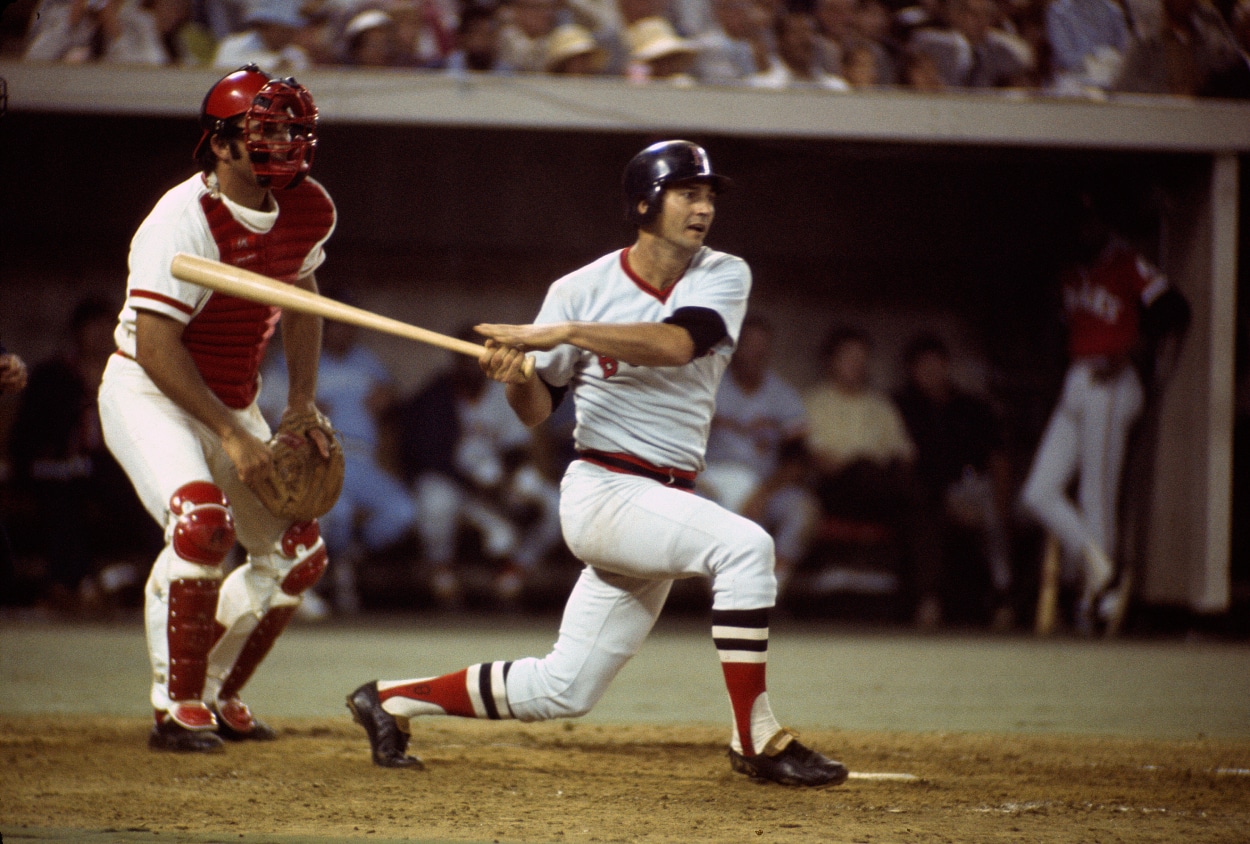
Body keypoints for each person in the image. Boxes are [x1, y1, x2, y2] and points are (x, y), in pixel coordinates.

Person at [346, 139, 847, 787]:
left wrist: (567, 333)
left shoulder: (723, 274)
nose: (702, 207)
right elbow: (534, 409)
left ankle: (388, 700)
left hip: (664, 500)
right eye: (686, 193)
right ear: (644, 203)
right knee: (746, 548)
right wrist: (511, 375)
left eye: (708, 195)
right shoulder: (577, 289)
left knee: (564, 689)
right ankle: (757, 738)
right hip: (605, 492)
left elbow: (677, 344)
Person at [97, 64, 337, 752]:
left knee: (298, 556)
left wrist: (299, 405)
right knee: (202, 524)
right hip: (152, 392)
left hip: (237, 398)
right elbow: (155, 345)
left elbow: (305, 294)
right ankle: (175, 706)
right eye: (266, 130)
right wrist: (231, 436)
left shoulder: (310, 207)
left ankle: (217, 690)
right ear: (222, 144)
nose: (286, 142)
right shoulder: (180, 219)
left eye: (293, 129)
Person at [1019, 196, 1190, 635]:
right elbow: (1062, 330)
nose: (1082, 230)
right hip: (1078, 378)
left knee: (1097, 495)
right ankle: (1104, 573)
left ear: (1103, 223)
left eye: (1090, 221)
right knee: (1038, 492)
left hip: (1112, 381)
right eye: (1076, 222)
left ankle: (1102, 601)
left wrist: (1136, 346)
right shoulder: (1070, 270)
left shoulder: (1125, 260)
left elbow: (1175, 308)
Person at [258, 302, 415, 614]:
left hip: (362, 459)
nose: (344, 331)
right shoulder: (299, 360)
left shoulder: (363, 360)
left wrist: (384, 396)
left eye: (349, 325)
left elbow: (391, 392)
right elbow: (264, 411)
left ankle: (350, 555)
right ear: (322, 327)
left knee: (402, 510)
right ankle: (319, 581)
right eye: (337, 325)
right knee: (335, 514)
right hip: (318, 459)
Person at [7, 297, 162, 614]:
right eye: (94, 327)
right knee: (62, 503)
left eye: (108, 327)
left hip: (106, 470)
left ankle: (150, 579)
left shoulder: (128, 375)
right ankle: (69, 587)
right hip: (55, 470)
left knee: (145, 497)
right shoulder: (54, 374)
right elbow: (27, 434)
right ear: (78, 332)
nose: (101, 335)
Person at [392, 333, 563, 609]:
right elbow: (426, 456)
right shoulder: (436, 395)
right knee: (435, 499)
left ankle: (514, 570)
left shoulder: (502, 392)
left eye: (480, 359)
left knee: (556, 506)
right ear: (455, 360)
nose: (473, 365)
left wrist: (505, 483)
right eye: (466, 358)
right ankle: (442, 574)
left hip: (493, 482)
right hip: (452, 481)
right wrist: (472, 483)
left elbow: (516, 448)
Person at [802, 326, 945, 628]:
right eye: (849, 357)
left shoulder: (880, 405)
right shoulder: (815, 401)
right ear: (832, 361)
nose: (857, 364)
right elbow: (819, 459)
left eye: (862, 358)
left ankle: (926, 600)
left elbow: (905, 454)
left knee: (918, 503)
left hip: (883, 489)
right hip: (838, 487)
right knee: (865, 466)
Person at [893, 332, 1014, 629]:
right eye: (923, 366)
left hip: (976, 488)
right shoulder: (902, 407)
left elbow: (998, 459)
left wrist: (1001, 503)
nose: (930, 372)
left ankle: (1004, 597)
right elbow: (904, 465)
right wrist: (944, 503)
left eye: (936, 364)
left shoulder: (973, 407)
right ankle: (932, 603)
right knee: (923, 511)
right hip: (932, 494)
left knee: (993, 515)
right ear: (912, 370)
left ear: (947, 365)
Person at [699, 314, 818, 599]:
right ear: (734, 348)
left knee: (803, 509)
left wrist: (763, 494)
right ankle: (724, 595)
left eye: (762, 345)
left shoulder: (783, 395)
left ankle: (771, 590)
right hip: (709, 484)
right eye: (749, 344)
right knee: (697, 510)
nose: (756, 352)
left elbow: (799, 460)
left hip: (763, 485)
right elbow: (677, 446)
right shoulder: (708, 387)